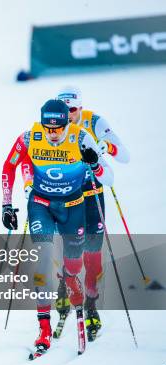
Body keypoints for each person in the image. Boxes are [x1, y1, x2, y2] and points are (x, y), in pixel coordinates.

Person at [1, 99, 113, 356]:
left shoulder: (82, 138)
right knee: (42, 259)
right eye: (48, 128)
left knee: (74, 265)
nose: (53, 134)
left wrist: (94, 163)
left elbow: (109, 177)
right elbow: (9, 165)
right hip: (41, 204)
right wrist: (7, 205)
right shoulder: (30, 138)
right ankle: (43, 328)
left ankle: (71, 279)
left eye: (58, 128)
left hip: (74, 207)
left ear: (66, 124)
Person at [55, 86, 130, 341]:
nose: (68, 115)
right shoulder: (54, 125)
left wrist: (104, 147)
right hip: (66, 195)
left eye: (72, 110)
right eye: (63, 110)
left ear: (80, 108)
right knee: (68, 248)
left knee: (93, 255)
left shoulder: (95, 122)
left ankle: (91, 304)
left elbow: (125, 157)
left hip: (93, 194)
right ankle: (64, 288)